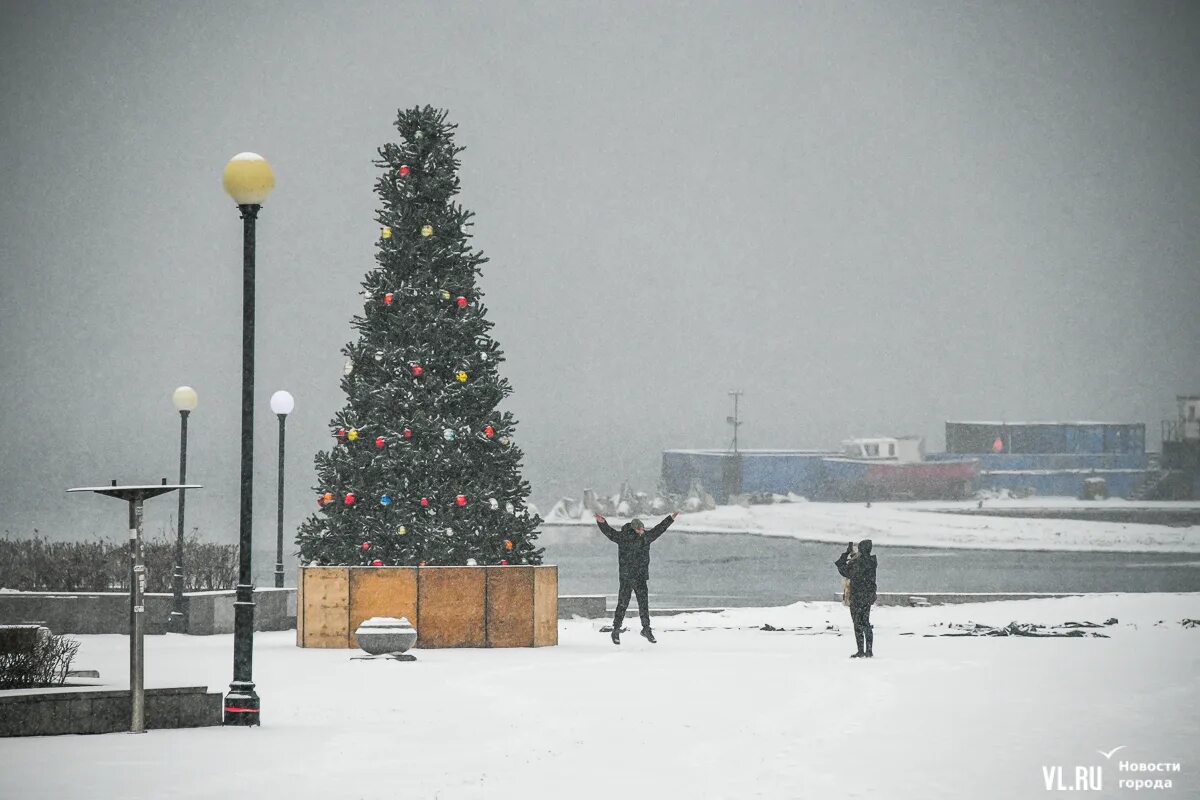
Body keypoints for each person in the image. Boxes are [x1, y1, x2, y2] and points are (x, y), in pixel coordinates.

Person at [594, 512, 678, 644]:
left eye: (643, 529)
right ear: (633, 529)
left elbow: (659, 529)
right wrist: (601, 522)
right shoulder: (623, 538)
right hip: (626, 577)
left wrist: (670, 518)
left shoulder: (646, 537)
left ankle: (646, 629)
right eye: (639, 529)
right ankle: (616, 629)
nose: (642, 531)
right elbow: (609, 532)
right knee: (622, 604)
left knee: (643, 605)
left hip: (641, 577)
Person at [835, 538, 877, 658]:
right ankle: (869, 650)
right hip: (868, 597)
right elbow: (859, 563)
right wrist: (853, 555)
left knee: (858, 624)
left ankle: (860, 650)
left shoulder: (857, 563)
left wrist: (846, 554)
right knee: (866, 623)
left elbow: (844, 570)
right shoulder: (871, 561)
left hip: (858, 597)